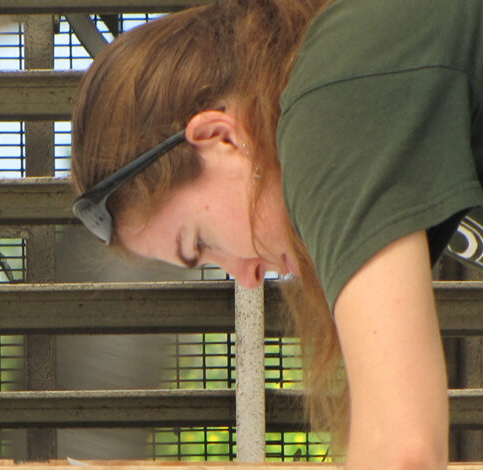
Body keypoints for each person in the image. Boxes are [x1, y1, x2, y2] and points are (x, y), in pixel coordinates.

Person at [70, 0, 483, 468]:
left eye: (201, 242)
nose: (245, 278)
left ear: (220, 137)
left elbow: (402, 451)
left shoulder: (328, 105)